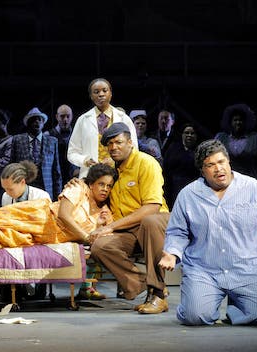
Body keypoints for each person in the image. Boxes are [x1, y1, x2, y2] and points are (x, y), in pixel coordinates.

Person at [159, 139, 257, 326]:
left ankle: (236, 309)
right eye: (210, 165)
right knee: (195, 316)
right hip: (205, 270)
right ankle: (197, 301)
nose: (218, 169)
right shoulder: (188, 195)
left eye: (221, 162)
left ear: (228, 161)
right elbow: (178, 231)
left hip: (248, 267)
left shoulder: (252, 187)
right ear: (202, 170)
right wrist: (172, 253)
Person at [79, 122, 170, 314]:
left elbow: (152, 207)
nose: (113, 147)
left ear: (130, 142)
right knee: (100, 246)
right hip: (128, 229)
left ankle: (158, 295)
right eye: (110, 144)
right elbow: (94, 186)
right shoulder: (111, 169)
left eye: (118, 142)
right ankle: (145, 284)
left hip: (156, 223)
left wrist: (110, 227)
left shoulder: (146, 163)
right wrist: (77, 185)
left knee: (149, 221)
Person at [67, 77, 137, 179]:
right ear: (91, 96)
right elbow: (72, 153)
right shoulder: (83, 120)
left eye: (105, 90)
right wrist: (85, 160)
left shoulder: (123, 118)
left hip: (119, 173)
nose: (101, 94)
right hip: (91, 176)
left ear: (111, 94)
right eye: (96, 92)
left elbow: (134, 148)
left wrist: (115, 160)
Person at [11, 107, 62, 200]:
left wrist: (58, 197)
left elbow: (56, 172)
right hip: (24, 189)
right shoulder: (17, 140)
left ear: (43, 123)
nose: (37, 122)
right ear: (28, 123)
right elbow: (12, 167)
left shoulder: (52, 142)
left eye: (39, 120)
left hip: (46, 189)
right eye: (33, 120)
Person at [214, 103, 257, 188]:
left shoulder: (256, 138)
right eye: (235, 120)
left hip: (251, 182)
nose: (238, 123)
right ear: (230, 122)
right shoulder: (221, 138)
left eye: (241, 120)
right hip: (229, 183)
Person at [162, 122, 200, 208]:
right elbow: (166, 169)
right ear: (182, 135)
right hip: (173, 188)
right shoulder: (173, 148)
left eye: (192, 133)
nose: (189, 135)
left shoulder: (199, 151)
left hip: (193, 188)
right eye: (187, 133)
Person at [48, 104, 78, 180]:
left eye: (68, 116)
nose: (65, 119)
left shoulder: (77, 134)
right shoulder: (48, 135)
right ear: (57, 117)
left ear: (72, 117)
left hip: (73, 177)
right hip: (54, 176)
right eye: (62, 116)